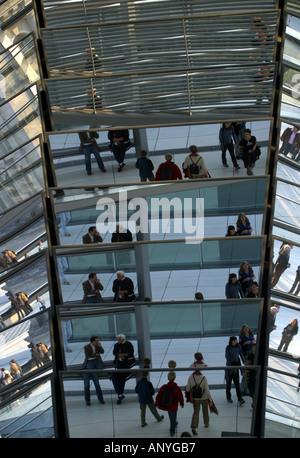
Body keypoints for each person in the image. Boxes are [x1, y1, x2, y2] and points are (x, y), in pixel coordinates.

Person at [155, 371, 184, 437]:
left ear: (168, 378)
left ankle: (174, 423)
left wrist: (157, 402)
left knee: (171, 416)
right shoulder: (177, 388)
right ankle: (172, 430)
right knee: (173, 417)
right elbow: (180, 397)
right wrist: (181, 403)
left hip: (167, 405)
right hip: (174, 405)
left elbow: (159, 395)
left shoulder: (163, 387)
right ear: (175, 378)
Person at [185, 364, 211, 435]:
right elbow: (207, 390)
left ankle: (194, 427)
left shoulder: (191, 377)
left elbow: (187, 389)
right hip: (204, 397)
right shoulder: (204, 378)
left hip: (195, 398)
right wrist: (209, 397)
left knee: (196, 412)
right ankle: (206, 423)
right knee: (205, 411)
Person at [111, 334, 135, 404]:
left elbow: (131, 353)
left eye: (119, 339)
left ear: (123, 339)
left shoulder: (128, 344)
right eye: (118, 339)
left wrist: (123, 355)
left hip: (126, 364)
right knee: (116, 378)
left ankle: (120, 394)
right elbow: (114, 352)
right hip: (119, 363)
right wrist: (119, 355)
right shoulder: (116, 345)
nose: (118, 340)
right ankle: (120, 394)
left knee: (121, 378)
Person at [82, 336, 105, 405]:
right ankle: (88, 400)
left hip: (96, 361)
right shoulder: (87, 347)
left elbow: (102, 352)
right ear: (92, 341)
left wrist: (100, 347)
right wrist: (96, 354)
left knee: (96, 381)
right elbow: (88, 356)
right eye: (96, 341)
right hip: (90, 362)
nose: (97, 342)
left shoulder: (98, 346)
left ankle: (100, 399)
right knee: (94, 382)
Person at [225, 336, 245, 405]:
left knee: (237, 385)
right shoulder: (228, 348)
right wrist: (230, 367)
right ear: (231, 341)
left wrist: (243, 361)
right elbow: (227, 357)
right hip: (230, 368)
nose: (236, 342)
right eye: (234, 340)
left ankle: (240, 399)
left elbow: (241, 354)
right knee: (229, 384)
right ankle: (228, 397)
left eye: (236, 340)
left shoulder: (238, 346)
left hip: (236, 367)